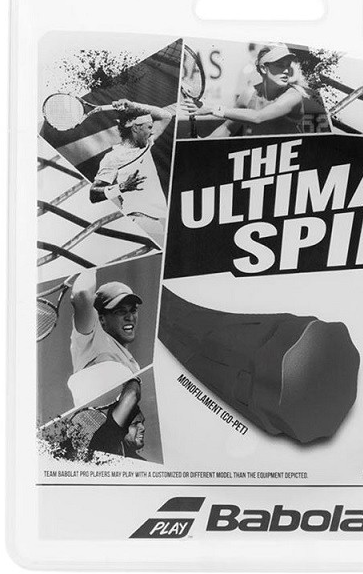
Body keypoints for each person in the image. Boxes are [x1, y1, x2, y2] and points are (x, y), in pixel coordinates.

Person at [90, 98, 175, 245]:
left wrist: (134, 106)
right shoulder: (112, 158)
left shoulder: (147, 143)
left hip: (161, 219)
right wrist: (122, 187)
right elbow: (94, 194)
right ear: (136, 128)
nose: (152, 131)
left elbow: (166, 116)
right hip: (140, 219)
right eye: (149, 127)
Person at [185, 44, 308, 137]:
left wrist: (213, 109)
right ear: (264, 69)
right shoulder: (248, 95)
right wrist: (203, 143)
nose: (286, 71)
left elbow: (258, 117)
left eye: (287, 65)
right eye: (280, 65)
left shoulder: (293, 96)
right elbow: (228, 128)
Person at [70, 269, 142, 376]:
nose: (130, 317)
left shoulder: (133, 364)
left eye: (133, 310)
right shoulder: (92, 339)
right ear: (101, 318)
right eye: (121, 311)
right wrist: (90, 268)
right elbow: (82, 294)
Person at [87, 379, 146, 460]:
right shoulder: (104, 441)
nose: (143, 428)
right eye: (135, 424)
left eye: (142, 423)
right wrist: (133, 377)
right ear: (121, 426)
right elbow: (132, 394)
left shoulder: (140, 462)